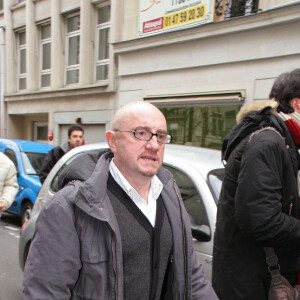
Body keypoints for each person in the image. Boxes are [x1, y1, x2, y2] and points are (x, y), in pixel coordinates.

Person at [23, 101, 218, 299]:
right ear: (113, 141)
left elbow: (190, 277)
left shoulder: (171, 197)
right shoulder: (69, 206)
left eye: (160, 136)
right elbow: (45, 292)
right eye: (140, 133)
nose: (153, 145)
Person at [212, 69, 300, 300]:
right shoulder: (268, 142)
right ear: (297, 104)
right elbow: (261, 220)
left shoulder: (282, 141)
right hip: (251, 284)